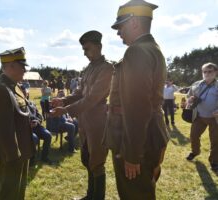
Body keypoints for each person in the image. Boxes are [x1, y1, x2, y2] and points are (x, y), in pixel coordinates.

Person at [106, 1, 170, 199]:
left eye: (120, 26)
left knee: (135, 194)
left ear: (133, 23)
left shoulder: (136, 51)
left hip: (136, 142)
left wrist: (132, 154)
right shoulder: (152, 48)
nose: (118, 33)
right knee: (143, 190)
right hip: (149, 134)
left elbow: (137, 108)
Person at [51, 30, 113, 200]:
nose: (85, 53)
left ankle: (97, 197)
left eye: (87, 49)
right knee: (87, 158)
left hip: (98, 120)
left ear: (99, 46)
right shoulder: (89, 68)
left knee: (97, 162)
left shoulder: (107, 68)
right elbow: (80, 92)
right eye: (83, 50)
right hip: (85, 120)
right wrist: (63, 100)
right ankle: (90, 195)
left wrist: (66, 110)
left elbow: (93, 98)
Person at [0, 47, 35, 200]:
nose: (24, 70)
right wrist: (13, 156)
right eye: (22, 66)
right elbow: (0, 128)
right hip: (12, 153)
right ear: (10, 66)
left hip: (22, 147)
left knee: (19, 190)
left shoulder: (14, 86)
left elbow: (18, 114)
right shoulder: (2, 89)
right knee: (9, 193)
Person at [185, 62, 218, 172]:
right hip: (199, 117)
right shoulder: (197, 84)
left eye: (210, 71)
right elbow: (189, 95)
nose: (207, 74)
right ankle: (195, 152)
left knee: (215, 141)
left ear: (215, 72)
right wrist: (189, 100)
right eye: (205, 71)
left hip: (215, 119)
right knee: (193, 136)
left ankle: (214, 161)